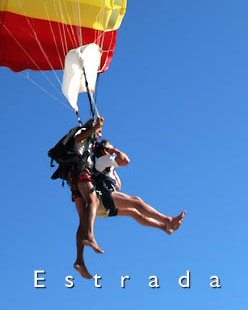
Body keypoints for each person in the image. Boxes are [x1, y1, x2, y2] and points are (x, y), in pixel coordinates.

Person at [91, 139, 185, 234]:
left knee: (134, 212)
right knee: (136, 201)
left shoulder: (105, 166)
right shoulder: (102, 160)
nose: (113, 154)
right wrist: (116, 151)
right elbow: (125, 160)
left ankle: (164, 227)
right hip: (102, 199)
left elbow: (118, 186)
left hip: (101, 207)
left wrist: (112, 172)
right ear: (105, 150)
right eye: (110, 150)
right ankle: (168, 220)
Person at [66, 116, 105, 279]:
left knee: (83, 219)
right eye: (99, 131)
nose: (99, 134)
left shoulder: (90, 144)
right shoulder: (82, 133)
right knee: (93, 200)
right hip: (81, 174)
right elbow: (78, 138)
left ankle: (79, 260)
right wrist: (93, 129)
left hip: (75, 180)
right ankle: (89, 236)